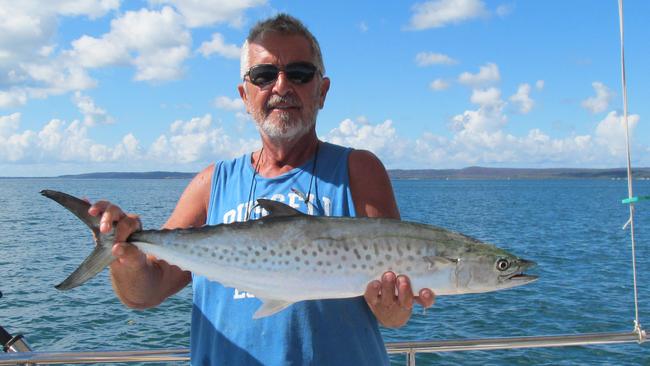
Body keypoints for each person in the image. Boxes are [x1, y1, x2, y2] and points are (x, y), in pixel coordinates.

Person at [89, 14, 435, 365]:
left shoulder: (358, 170)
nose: (282, 87)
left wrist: (395, 308)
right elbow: (145, 292)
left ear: (322, 91)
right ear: (245, 94)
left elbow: (392, 315)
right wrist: (125, 257)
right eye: (264, 75)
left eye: (299, 73)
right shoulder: (211, 184)